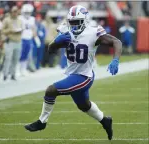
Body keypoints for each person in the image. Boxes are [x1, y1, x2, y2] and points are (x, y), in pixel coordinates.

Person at [24, 5, 122, 140]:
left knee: (51, 90)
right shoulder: (65, 29)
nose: (74, 25)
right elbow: (50, 50)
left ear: (84, 20)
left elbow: (116, 42)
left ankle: (42, 122)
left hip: (84, 76)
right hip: (73, 74)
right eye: (72, 22)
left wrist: (115, 60)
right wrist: (55, 43)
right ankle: (105, 120)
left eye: (77, 22)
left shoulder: (93, 32)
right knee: (84, 105)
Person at [2, 6, 22, 81]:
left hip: (18, 41)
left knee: (16, 59)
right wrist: (10, 30)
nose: (15, 13)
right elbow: (2, 31)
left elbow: (22, 29)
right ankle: (5, 74)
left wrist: (20, 31)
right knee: (8, 58)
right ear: (11, 12)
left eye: (16, 11)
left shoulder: (20, 20)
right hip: (10, 41)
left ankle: (13, 74)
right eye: (14, 11)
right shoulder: (7, 20)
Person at [19, 4, 40, 75]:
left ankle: (23, 69)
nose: (27, 14)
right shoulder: (20, 18)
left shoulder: (32, 19)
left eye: (28, 13)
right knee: (20, 55)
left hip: (29, 38)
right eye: (26, 12)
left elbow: (33, 29)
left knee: (26, 54)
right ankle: (18, 69)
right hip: (22, 38)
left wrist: (36, 38)